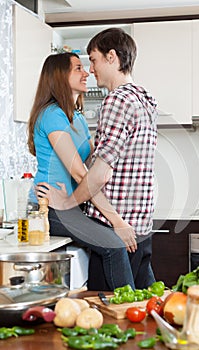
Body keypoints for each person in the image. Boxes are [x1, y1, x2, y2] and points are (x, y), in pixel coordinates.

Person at [36, 28, 158, 289]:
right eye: (80, 66)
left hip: (113, 218)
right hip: (128, 220)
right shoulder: (145, 99)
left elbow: (96, 170)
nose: (89, 71)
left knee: (116, 309)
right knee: (139, 302)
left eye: (91, 60)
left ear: (111, 57)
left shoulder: (110, 103)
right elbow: (90, 169)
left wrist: (71, 200)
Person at [27, 52, 136, 291]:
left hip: (72, 204)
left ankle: (105, 314)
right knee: (115, 245)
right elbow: (80, 173)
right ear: (59, 76)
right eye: (78, 68)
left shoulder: (77, 116)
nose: (86, 72)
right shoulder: (51, 115)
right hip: (50, 208)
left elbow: (96, 163)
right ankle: (128, 312)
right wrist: (116, 220)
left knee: (108, 248)